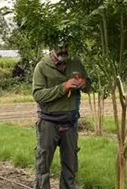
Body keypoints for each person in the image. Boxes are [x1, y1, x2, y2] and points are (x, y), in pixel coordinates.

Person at [32, 42, 91, 189]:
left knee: (70, 166)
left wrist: (84, 84)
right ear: (52, 46)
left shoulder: (75, 62)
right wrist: (63, 87)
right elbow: (38, 95)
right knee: (43, 166)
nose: (64, 50)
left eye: (66, 47)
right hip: (48, 123)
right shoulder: (42, 66)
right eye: (60, 47)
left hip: (70, 123)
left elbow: (89, 85)